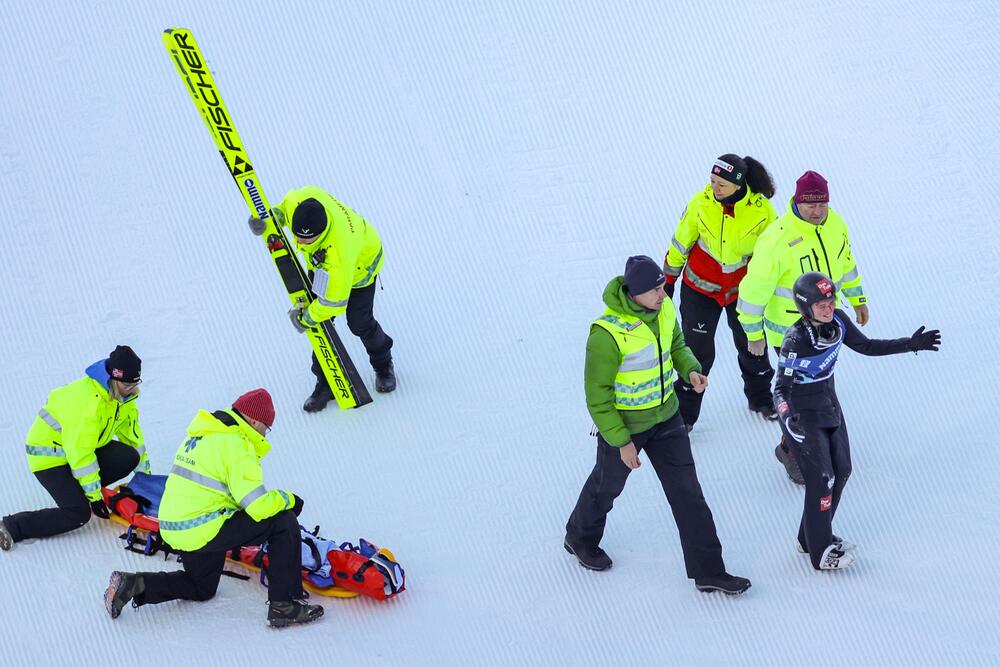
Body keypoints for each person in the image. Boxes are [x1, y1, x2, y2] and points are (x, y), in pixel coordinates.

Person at [564, 255, 751, 595]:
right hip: (626, 427)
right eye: (654, 291)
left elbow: (677, 346)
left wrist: (691, 369)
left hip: (667, 418)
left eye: (662, 288)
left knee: (689, 496)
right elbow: (597, 397)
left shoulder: (664, 310)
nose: (663, 295)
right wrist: (622, 442)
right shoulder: (606, 334)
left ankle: (709, 571)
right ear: (634, 293)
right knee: (606, 487)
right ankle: (579, 537)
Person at [104, 388, 324, 628]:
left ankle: (133, 584)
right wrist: (289, 499)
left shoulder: (202, 435)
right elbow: (258, 507)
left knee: (201, 587)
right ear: (252, 421)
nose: (265, 434)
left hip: (174, 527)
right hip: (202, 527)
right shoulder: (238, 445)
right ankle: (284, 604)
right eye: (265, 428)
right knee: (283, 521)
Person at [774, 272, 940, 570]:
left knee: (843, 469)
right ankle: (820, 552)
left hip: (828, 400)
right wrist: (788, 420)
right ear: (804, 307)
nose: (828, 307)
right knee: (821, 478)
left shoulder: (838, 321)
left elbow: (867, 346)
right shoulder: (795, 340)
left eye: (830, 300)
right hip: (803, 412)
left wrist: (909, 344)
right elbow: (780, 390)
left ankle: (810, 536)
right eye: (820, 304)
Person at [737, 171, 868, 483]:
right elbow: (752, 291)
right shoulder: (777, 238)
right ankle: (792, 451)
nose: (817, 210)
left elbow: (846, 263)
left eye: (821, 202)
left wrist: (857, 297)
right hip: (789, 334)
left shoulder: (835, 224)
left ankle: (820, 444)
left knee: (821, 389)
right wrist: (754, 334)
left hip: (824, 325)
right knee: (796, 397)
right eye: (809, 204)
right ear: (795, 201)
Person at [249, 186, 395, 411]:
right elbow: (282, 210)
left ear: (321, 232)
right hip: (323, 263)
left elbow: (333, 303)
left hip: (359, 267)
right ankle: (325, 383)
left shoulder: (339, 255)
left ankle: (383, 364)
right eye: (296, 236)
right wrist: (271, 220)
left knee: (359, 322)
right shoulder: (299, 202)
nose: (298, 243)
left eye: (306, 240)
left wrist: (306, 319)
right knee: (322, 326)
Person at [663, 154, 779, 429]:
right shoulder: (700, 203)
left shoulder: (762, 211)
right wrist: (668, 279)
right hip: (700, 289)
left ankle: (761, 398)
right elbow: (681, 242)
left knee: (752, 344)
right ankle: (685, 416)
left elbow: (773, 255)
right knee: (697, 352)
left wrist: (772, 290)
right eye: (712, 181)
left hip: (743, 292)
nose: (714, 188)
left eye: (721, 184)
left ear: (739, 185)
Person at [0, 346, 149, 551]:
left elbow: (134, 438)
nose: (132, 388)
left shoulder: (123, 398)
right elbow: (80, 453)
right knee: (78, 513)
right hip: (49, 457)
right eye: (127, 384)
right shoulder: (87, 403)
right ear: (114, 379)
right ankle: (12, 526)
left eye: (135, 383)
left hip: (79, 450)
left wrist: (146, 480)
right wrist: (94, 497)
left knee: (129, 456)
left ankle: (79, 490)